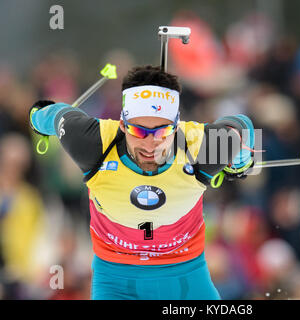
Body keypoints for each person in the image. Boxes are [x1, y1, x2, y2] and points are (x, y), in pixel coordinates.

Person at [28, 65, 255, 300]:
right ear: (123, 124)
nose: (149, 145)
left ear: (177, 126)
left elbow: (241, 124)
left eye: (161, 132)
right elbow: (52, 114)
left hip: (186, 280)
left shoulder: (199, 147)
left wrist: (241, 160)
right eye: (138, 131)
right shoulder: (93, 142)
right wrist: (37, 116)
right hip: (117, 283)